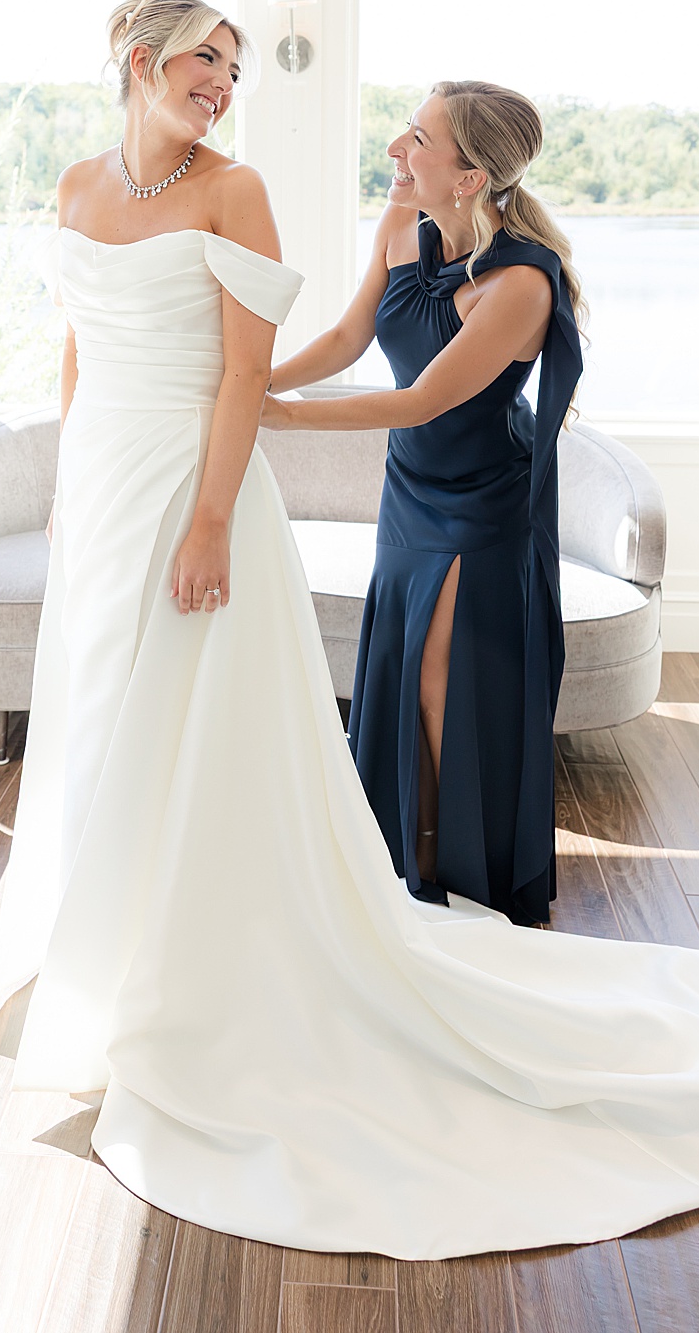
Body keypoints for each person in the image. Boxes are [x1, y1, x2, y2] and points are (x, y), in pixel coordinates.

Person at [0, 0, 699, 1260]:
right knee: (100, 717)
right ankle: (105, 959)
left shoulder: (252, 193)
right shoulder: (77, 184)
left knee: (223, 727)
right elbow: (100, 347)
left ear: (469, 166)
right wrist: (64, 487)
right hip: (105, 489)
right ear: (140, 63)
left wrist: (219, 504)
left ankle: (260, 954)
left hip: (265, 497)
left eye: (234, 64)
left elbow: (318, 381)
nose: (223, 80)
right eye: (205, 59)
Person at [263, 81, 583, 925]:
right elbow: (346, 337)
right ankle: (401, 861)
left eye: (417, 138)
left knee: (444, 684)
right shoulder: (404, 224)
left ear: (471, 175)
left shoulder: (521, 283)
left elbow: (422, 400)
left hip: (482, 505)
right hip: (411, 494)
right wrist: (256, 381)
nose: (397, 151)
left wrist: (284, 419)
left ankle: (457, 875)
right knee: (402, 673)